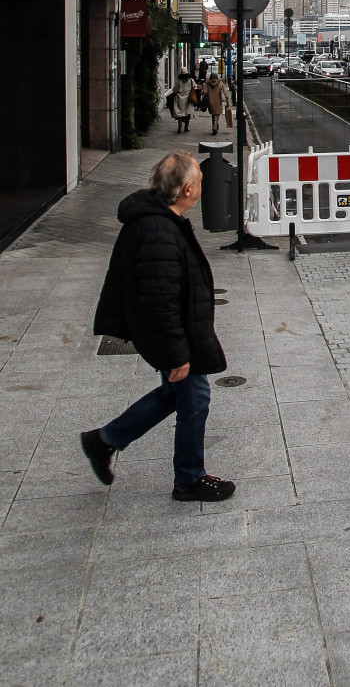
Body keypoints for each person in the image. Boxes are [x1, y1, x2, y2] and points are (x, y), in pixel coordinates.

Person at [80, 152, 235, 502]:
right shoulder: (158, 232)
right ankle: (189, 479)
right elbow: (159, 302)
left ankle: (103, 441)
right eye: (198, 181)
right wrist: (177, 354)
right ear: (187, 189)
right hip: (173, 337)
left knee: (174, 393)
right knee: (194, 396)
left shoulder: (160, 220)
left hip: (174, 332)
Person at [173, 68, 196, 134]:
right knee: (187, 113)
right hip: (188, 99)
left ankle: (179, 128)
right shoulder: (191, 80)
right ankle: (186, 127)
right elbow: (195, 87)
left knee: (179, 114)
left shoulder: (178, 81)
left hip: (179, 99)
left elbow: (175, 89)